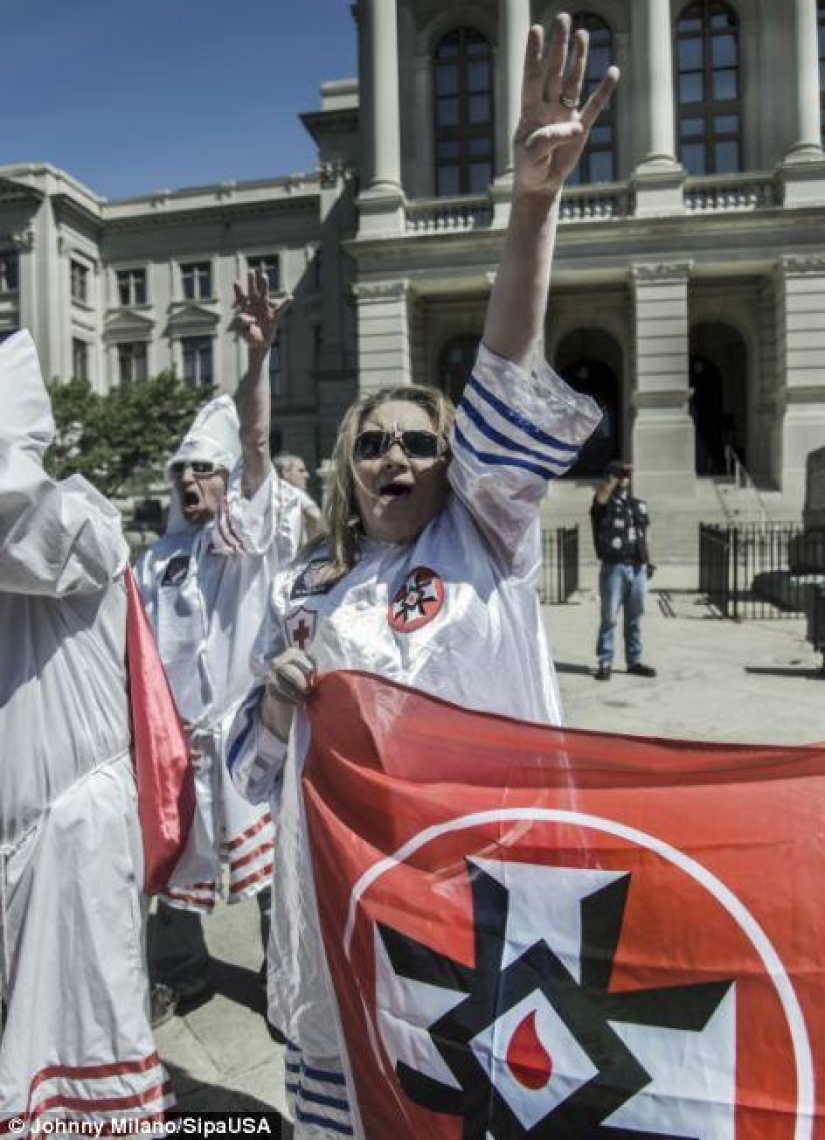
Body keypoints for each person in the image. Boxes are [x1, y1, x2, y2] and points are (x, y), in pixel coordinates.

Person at [227, 15, 617, 1137]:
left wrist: (532, 203)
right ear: (347, 471)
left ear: (458, 466)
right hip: (350, 912)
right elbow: (256, 780)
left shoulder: (484, 536)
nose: (397, 456)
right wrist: (279, 698)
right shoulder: (312, 594)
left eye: (421, 441)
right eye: (373, 443)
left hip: (487, 898)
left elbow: (504, 368)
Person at [0, 331, 172, 1125]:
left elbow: (11, 507)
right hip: (19, 839)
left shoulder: (79, 520)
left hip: (70, 840)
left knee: (83, 1074)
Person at [136, 271, 302, 1020]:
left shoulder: (243, 544)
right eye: (181, 470)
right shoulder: (157, 558)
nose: (189, 480)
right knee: (171, 862)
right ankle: (183, 972)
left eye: (204, 468)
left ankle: (282, 985)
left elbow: (260, 446)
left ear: (229, 478)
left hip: (247, 742)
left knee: (270, 872)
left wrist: (258, 358)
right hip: (173, 750)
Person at [591, 459, 656, 681]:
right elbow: (599, 501)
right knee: (609, 617)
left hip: (638, 567)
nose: (624, 479)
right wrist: (612, 477)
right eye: (620, 476)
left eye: (626, 476)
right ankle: (605, 662)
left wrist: (650, 561)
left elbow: (646, 536)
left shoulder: (638, 505)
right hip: (614, 567)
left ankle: (634, 661)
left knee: (635, 617)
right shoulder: (604, 505)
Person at [273, 453, 323, 544]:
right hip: (295, 555)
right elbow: (315, 516)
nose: (306, 475)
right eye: (301, 471)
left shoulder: (270, 492)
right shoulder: (294, 492)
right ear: (285, 472)